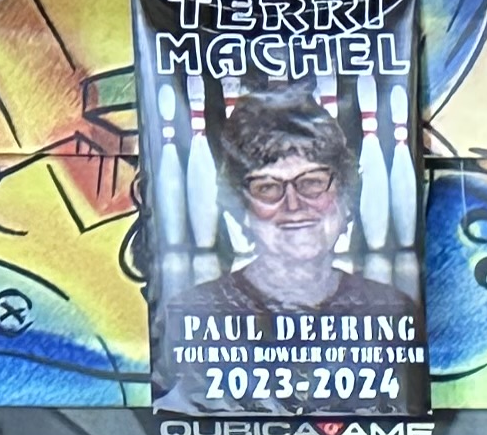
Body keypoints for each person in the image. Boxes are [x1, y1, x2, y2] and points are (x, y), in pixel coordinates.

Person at [176, 89, 416, 321]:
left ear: (344, 196)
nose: (293, 205)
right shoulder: (191, 316)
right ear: (242, 208)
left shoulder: (394, 312)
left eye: (312, 183)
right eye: (268, 188)